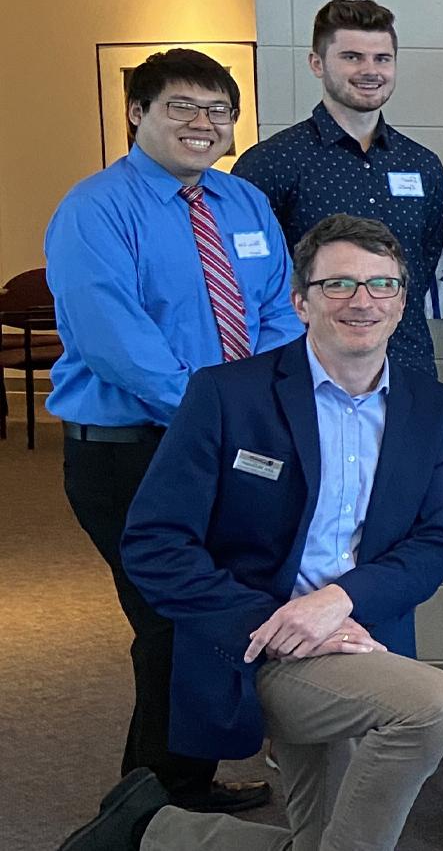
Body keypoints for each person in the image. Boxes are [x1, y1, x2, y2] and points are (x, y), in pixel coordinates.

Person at [59, 215, 443, 851]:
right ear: (301, 302)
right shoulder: (229, 395)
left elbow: (436, 540)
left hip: (362, 640)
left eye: (382, 285)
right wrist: (280, 623)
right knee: (435, 705)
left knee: (321, 840)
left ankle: (151, 830)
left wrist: (338, 603)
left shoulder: (428, 404)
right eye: (338, 285)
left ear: (401, 301)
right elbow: (155, 542)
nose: (362, 302)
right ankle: (151, 828)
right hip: (254, 647)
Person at [44, 47, 301, 814]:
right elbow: (115, 341)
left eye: (218, 111)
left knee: (208, 617)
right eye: (182, 107)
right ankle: (149, 805)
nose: (203, 124)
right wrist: (217, 420)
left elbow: (279, 312)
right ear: (138, 113)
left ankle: (180, 786)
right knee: (168, 618)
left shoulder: (242, 205)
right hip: (131, 453)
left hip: (227, 441)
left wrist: (269, 403)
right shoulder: (96, 208)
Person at [234, 0, 443, 380]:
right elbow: (251, 281)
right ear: (317, 63)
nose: (370, 70)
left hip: (406, 365)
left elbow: (420, 262)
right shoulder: (271, 162)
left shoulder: (422, 165)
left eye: (382, 58)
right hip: (305, 373)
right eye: (352, 57)